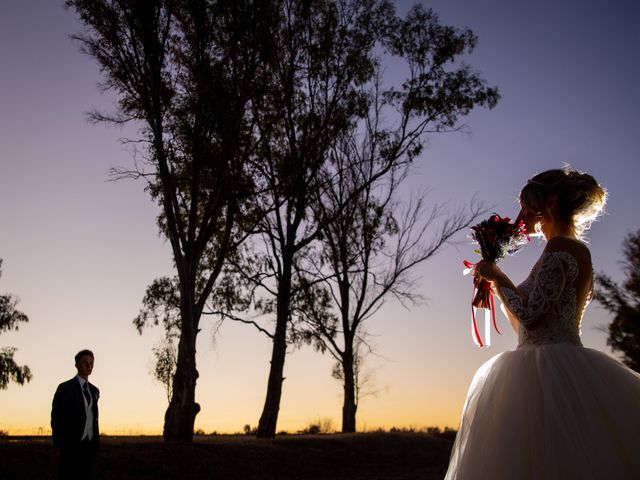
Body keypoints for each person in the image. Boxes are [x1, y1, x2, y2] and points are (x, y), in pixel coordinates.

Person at [445, 168, 640, 479]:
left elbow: (532, 315)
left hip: (552, 371)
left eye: (527, 206)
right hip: (547, 361)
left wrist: (500, 276)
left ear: (549, 203)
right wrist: (496, 287)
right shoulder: (569, 248)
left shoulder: (561, 248)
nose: (522, 216)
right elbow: (526, 326)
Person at [51, 349, 100, 480]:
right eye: (85, 362)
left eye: (91, 363)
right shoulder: (65, 388)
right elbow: (56, 418)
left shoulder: (94, 390)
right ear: (77, 364)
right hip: (70, 446)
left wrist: (95, 444)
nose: (89, 366)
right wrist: (59, 445)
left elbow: (92, 416)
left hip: (89, 446)